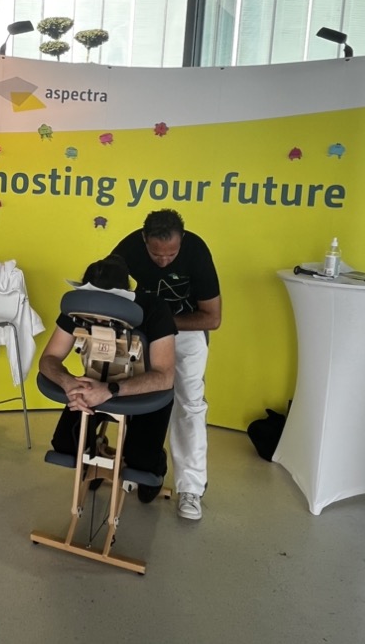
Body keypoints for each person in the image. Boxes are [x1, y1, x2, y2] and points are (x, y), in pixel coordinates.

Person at [39, 255, 177, 502]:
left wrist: (111, 390)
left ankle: (157, 460)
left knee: (141, 466)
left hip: (142, 391)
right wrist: (69, 383)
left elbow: (165, 377)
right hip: (93, 383)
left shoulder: (155, 309)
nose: (97, 317)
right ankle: (97, 452)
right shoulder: (77, 310)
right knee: (66, 447)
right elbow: (49, 358)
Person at [112, 209, 221, 521]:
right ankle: (137, 465)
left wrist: (162, 323)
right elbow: (107, 290)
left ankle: (191, 488)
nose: (163, 261)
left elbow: (212, 318)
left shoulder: (196, 252)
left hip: (186, 331)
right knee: (135, 396)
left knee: (190, 405)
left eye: (171, 254)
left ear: (181, 241)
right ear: (144, 239)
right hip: (143, 332)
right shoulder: (129, 248)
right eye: (156, 254)